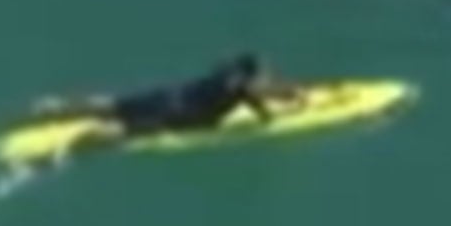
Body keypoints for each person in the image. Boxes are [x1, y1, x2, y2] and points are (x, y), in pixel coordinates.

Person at [29, 53, 296, 143]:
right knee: (123, 129)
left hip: (169, 93)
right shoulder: (247, 90)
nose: (267, 77)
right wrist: (291, 106)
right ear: (252, 76)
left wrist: (285, 93)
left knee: (113, 104)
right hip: (180, 114)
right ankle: (74, 141)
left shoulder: (226, 68)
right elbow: (265, 116)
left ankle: (56, 105)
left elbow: (251, 87)